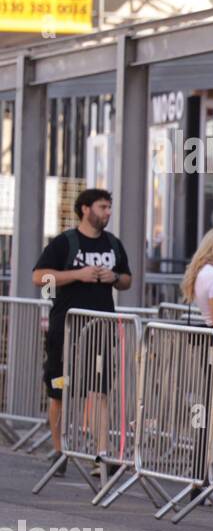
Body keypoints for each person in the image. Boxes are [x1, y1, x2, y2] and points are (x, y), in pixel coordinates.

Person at [32, 188, 132, 477]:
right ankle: (60, 451)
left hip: (101, 327)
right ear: (85, 209)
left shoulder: (113, 244)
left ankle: (100, 454)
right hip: (66, 327)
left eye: (110, 207)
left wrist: (113, 278)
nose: (108, 212)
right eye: (103, 207)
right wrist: (77, 275)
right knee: (59, 389)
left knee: (99, 390)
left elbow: (127, 279)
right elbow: (40, 277)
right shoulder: (65, 242)